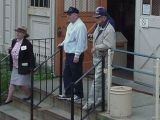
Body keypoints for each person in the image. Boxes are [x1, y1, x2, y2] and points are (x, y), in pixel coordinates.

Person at [83, 6, 116, 110]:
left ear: (104, 18)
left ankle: (90, 102)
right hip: (97, 57)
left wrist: (96, 47)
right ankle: (100, 99)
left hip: (104, 58)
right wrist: (92, 37)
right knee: (101, 80)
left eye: (98, 17)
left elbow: (108, 44)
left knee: (97, 80)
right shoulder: (99, 26)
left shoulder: (110, 29)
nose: (95, 19)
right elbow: (98, 37)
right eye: (95, 17)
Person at [58, 7, 88, 100]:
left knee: (76, 74)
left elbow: (80, 42)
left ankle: (78, 94)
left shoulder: (80, 26)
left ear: (75, 15)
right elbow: (68, 38)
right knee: (67, 73)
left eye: (69, 14)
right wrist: (62, 43)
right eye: (67, 14)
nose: (68, 16)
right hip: (69, 53)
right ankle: (68, 93)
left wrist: (77, 55)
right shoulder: (71, 24)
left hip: (75, 54)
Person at [5, 26, 35, 104]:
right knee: (12, 83)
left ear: (24, 34)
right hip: (15, 66)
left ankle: (29, 95)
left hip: (23, 67)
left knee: (21, 84)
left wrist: (32, 67)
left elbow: (31, 56)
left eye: (20, 32)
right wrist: (10, 50)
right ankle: (9, 99)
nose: (17, 33)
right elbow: (13, 51)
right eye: (17, 31)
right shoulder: (14, 41)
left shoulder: (27, 44)